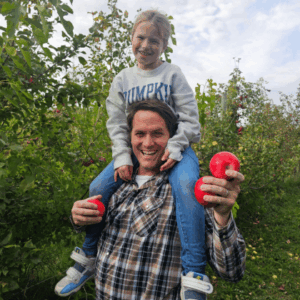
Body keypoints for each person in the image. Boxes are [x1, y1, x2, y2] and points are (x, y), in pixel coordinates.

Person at [55, 9, 227, 299]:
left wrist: (175, 146)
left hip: (176, 148)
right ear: (131, 38)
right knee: (97, 187)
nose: (146, 45)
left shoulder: (172, 74)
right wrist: (122, 157)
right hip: (134, 152)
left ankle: (193, 272)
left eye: (155, 40)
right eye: (141, 37)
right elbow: (116, 124)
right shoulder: (123, 79)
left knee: (187, 188)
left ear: (164, 45)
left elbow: (190, 119)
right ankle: (88, 256)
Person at [69, 100, 246, 300]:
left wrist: (222, 217)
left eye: (157, 133)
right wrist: (78, 218)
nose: (147, 143)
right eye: (140, 134)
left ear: (173, 137)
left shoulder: (187, 195)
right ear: (129, 137)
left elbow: (232, 272)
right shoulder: (115, 187)